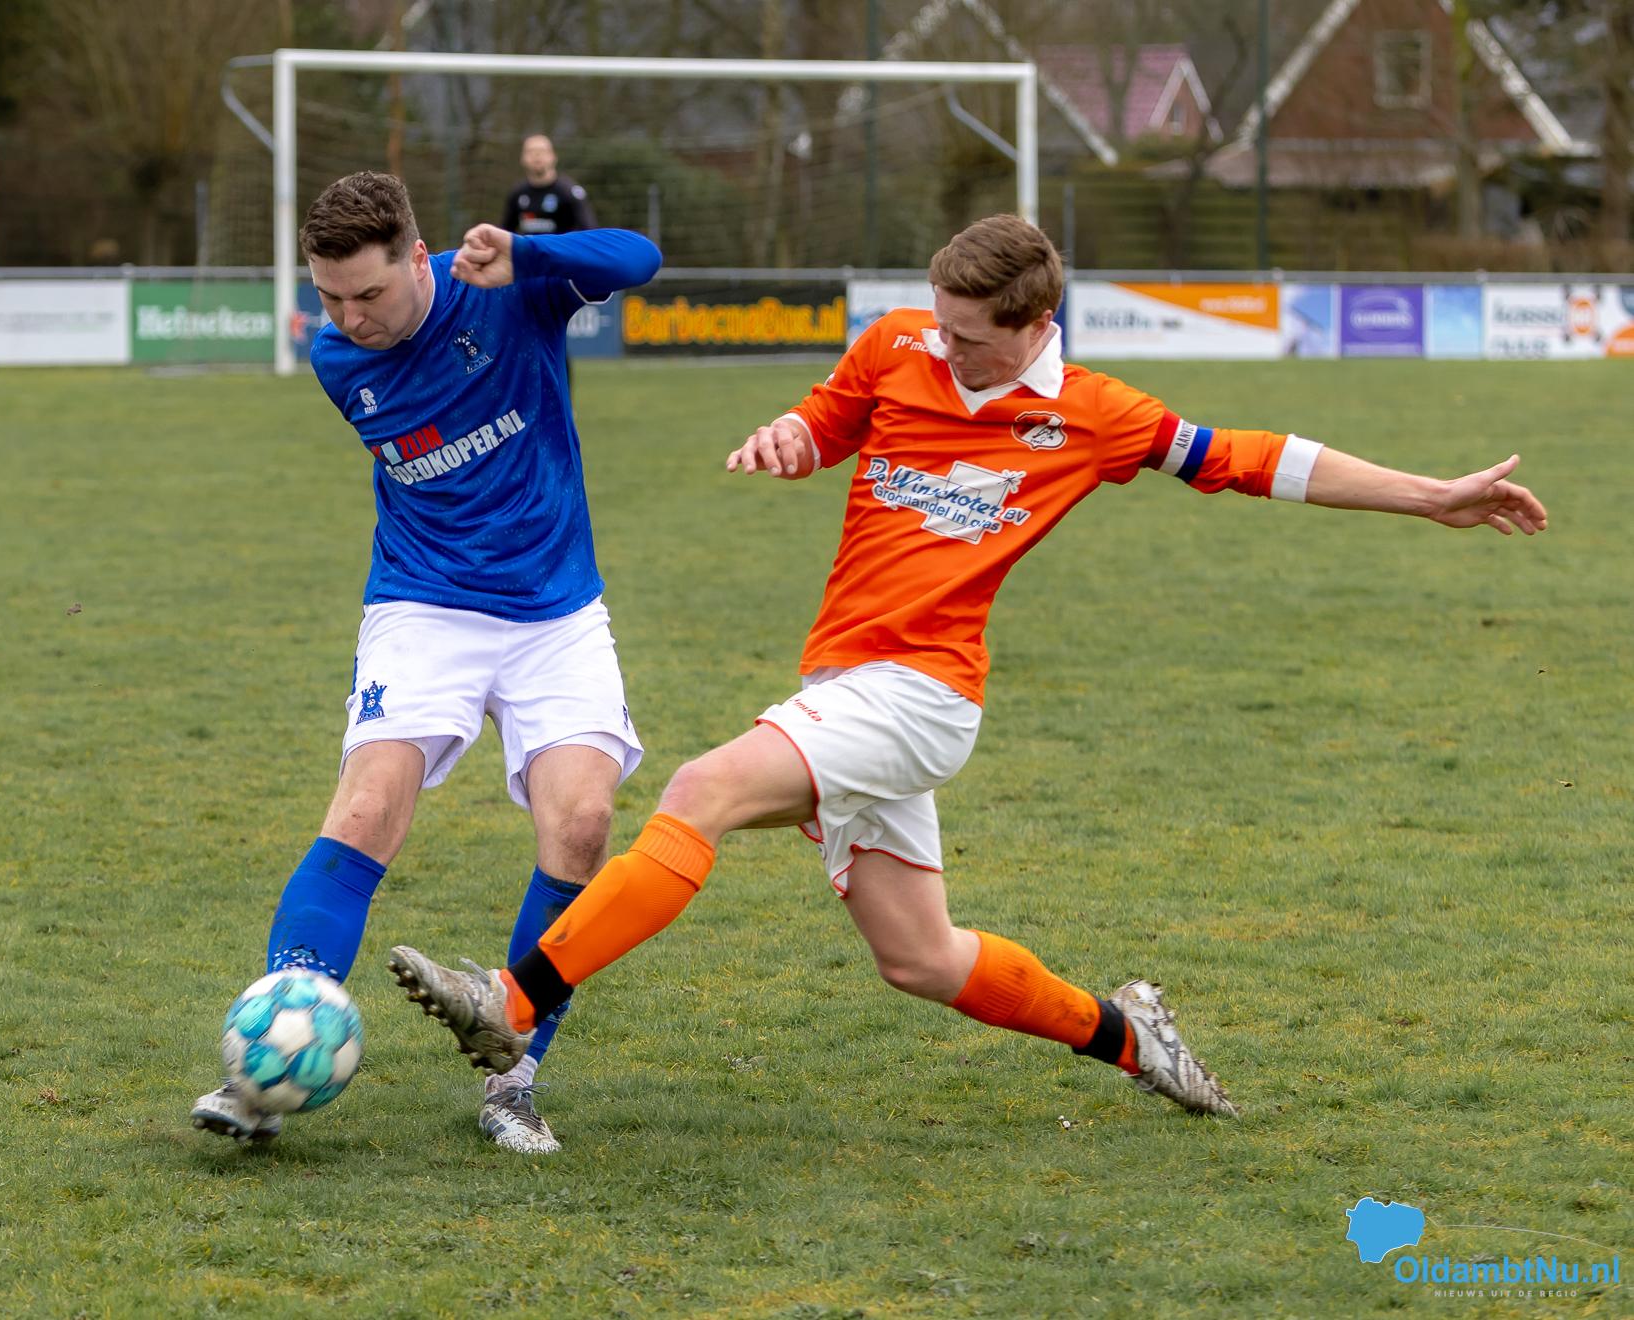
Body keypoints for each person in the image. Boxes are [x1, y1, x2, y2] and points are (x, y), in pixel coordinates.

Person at [387, 214, 1549, 1124]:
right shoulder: (898, 343)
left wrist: (1429, 496)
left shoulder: (1093, 414)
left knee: (702, 789)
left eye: (971, 337)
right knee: (921, 958)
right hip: (846, 683)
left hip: (922, 694)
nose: (944, 347)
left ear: (1037, 324)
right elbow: (826, 423)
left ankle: (513, 1001)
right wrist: (789, 438)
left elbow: (1257, 458)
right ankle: (1134, 1038)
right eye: (939, 324)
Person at [192, 171, 662, 1154]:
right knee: (367, 807)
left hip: (556, 609)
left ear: (420, 258)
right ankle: (262, 1071)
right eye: (330, 297)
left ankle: (513, 1080)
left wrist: (528, 257)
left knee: (581, 826)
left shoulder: (503, 288)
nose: (350, 318)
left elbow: (638, 258)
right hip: (424, 603)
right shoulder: (336, 359)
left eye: (369, 293)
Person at [501, 134, 597, 237]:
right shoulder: (517, 193)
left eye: (542, 151)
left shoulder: (569, 191)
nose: (537, 155)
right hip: (531, 248)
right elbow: (505, 233)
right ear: (522, 158)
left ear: (553, 157)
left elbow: (589, 231)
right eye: (530, 151)